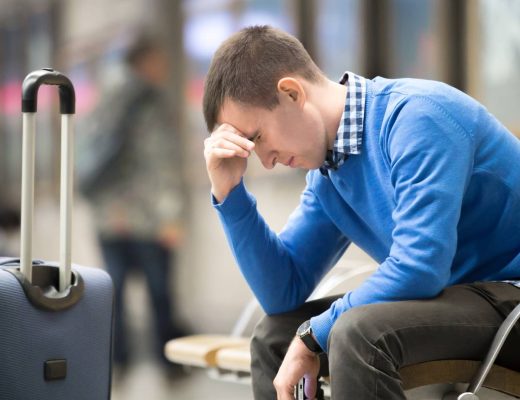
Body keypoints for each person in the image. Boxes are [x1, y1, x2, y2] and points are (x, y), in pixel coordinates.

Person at [201, 25, 520, 399]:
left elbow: (420, 267)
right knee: (275, 336)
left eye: (256, 138)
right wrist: (229, 193)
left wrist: (313, 334)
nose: (266, 162)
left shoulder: (417, 118)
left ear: (291, 92)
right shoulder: (329, 176)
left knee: (356, 332)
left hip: (509, 298)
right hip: (459, 300)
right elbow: (281, 292)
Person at [77, 34, 186, 373]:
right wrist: (171, 216)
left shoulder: (104, 95)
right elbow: (160, 163)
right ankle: (168, 361)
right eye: (159, 62)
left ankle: (117, 360)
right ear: (145, 62)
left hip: (109, 216)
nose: (163, 69)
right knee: (159, 292)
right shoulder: (148, 101)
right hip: (146, 218)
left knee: (115, 290)